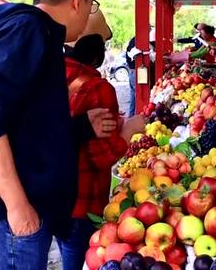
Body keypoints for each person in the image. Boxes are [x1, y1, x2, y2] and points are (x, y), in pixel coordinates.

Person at [0, 0, 117, 270]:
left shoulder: (39, 35)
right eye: (92, 3)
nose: (89, 13)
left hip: (20, 216)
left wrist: (81, 127)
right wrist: (16, 205)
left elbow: (28, 128)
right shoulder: (28, 31)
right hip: (5, 221)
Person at [61, 34, 144, 270]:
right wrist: (129, 130)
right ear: (98, 56)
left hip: (53, 195)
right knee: (78, 258)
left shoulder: (49, 79)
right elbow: (102, 157)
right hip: (83, 198)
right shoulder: (98, 89)